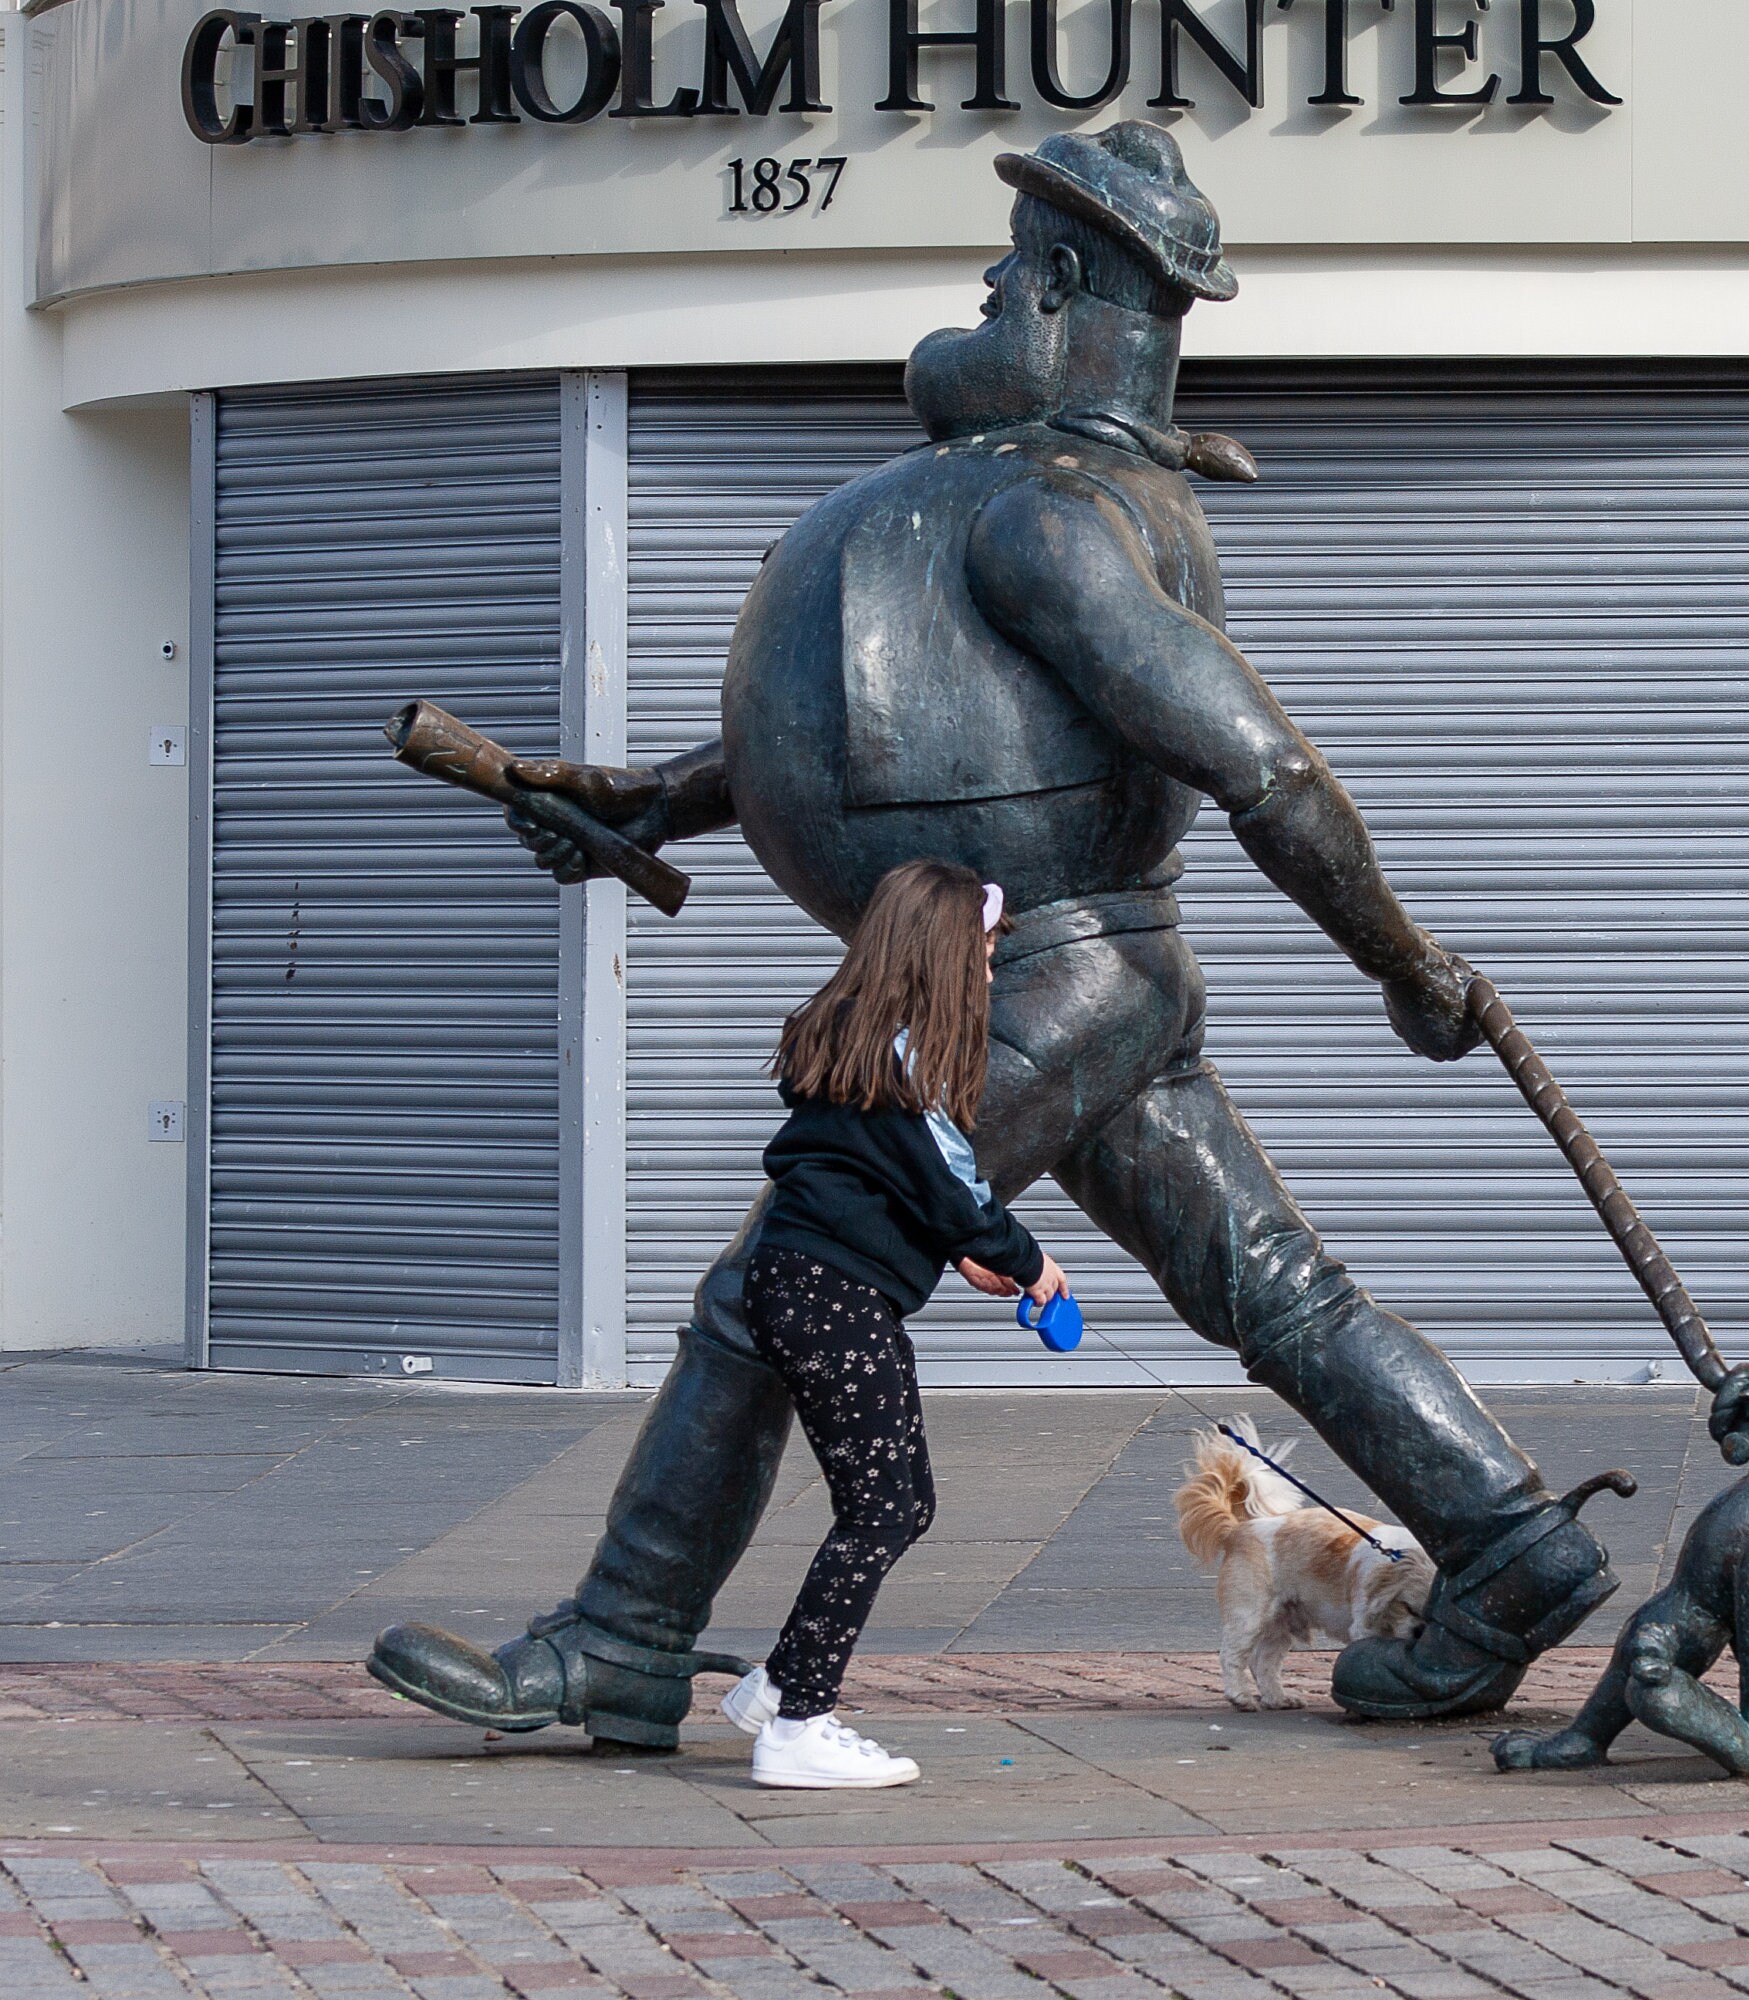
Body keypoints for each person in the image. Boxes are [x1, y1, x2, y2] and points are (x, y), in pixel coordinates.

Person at [366, 120, 1624, 1751]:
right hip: (1057, 978)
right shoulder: (1003, 502)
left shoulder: (1052, 517)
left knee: (781, 1282)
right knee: (1280, 1295)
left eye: (1012, 261)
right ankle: (1512, 1548)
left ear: (1070, 286)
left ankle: (621, 1635)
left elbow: (1260, 764)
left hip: (1053, 971)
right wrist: (638, 809)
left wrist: (1400, 960)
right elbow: (874, 741)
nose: (983, 282)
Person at [711, 859, 1066, 1787]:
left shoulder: (861, 1046)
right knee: (881, 1509)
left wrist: (954, 1249)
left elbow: (882, 1180)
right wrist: (1030, 1262)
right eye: (985, 952)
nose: (992, 972)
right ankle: (797, 1730)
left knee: (902, 1503)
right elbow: (953, 1190)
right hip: (831, 1300)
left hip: (812, 1288)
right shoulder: (907, 1059)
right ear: (943, 954)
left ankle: (775, 1686)